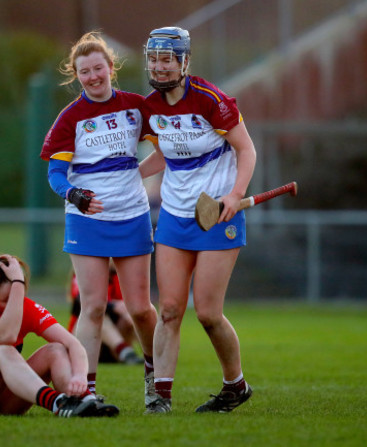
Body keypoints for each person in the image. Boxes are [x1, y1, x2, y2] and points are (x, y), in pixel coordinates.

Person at [138, 27, 257, 414]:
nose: (159, 67)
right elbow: (166, 156)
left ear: (184, 62)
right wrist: (130, 174)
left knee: (207, 312)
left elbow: (246, 149)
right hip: (174, 215)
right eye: (154, 59)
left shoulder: (211, 100)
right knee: (169, 309)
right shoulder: (151, 107)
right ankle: (161, 396)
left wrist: (235, 195)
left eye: (167, 59)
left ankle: (234, 385)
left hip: (217, 216)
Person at [40, 31, 158, 407]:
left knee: (140, 308)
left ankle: (157, 381)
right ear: (76, 76)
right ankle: (86, 390)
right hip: (87, 220)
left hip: (132, 216)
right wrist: (74, 195)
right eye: (84, 72)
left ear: (111, 67)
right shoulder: (70, 118)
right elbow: (56, 175)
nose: (92, 76)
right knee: (92, 307)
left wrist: (135, 174)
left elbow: (169, 148)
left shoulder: (136, 107)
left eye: (98, 68)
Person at [0, 254, 119, 418]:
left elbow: (73, 344)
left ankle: (82, 401)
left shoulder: (23, 305)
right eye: (8, 299)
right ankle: (58, 403)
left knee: (56, 349)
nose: (16, 304)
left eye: (19, 295)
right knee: (3, 352)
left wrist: (79, 377)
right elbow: (6, 335)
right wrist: (18, 283)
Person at [67, 265, 144, 365]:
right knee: (96, 316)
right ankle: (125, 351)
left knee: (131, 317)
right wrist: (113, 306)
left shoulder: (119, 276)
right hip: (85, 344)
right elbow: (80, 302)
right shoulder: (83, 271)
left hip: (113, 349)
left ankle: (152, 352)